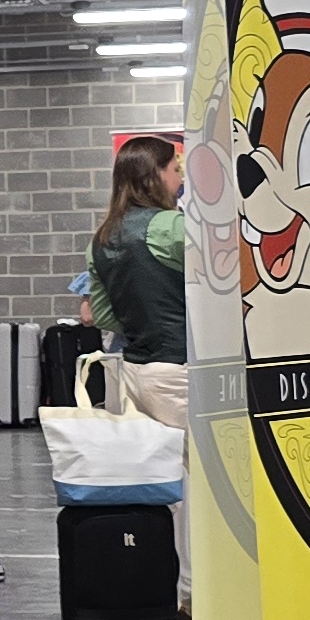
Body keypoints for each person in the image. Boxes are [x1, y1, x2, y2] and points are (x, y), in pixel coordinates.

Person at [86, 143, 190, 429]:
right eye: (175, 170)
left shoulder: (100, 239)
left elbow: (104, 317)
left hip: (132, 374)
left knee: (159, 470)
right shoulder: (174, 227)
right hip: (179, 370)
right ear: (156, 174)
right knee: (202, 467)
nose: (180, 179)